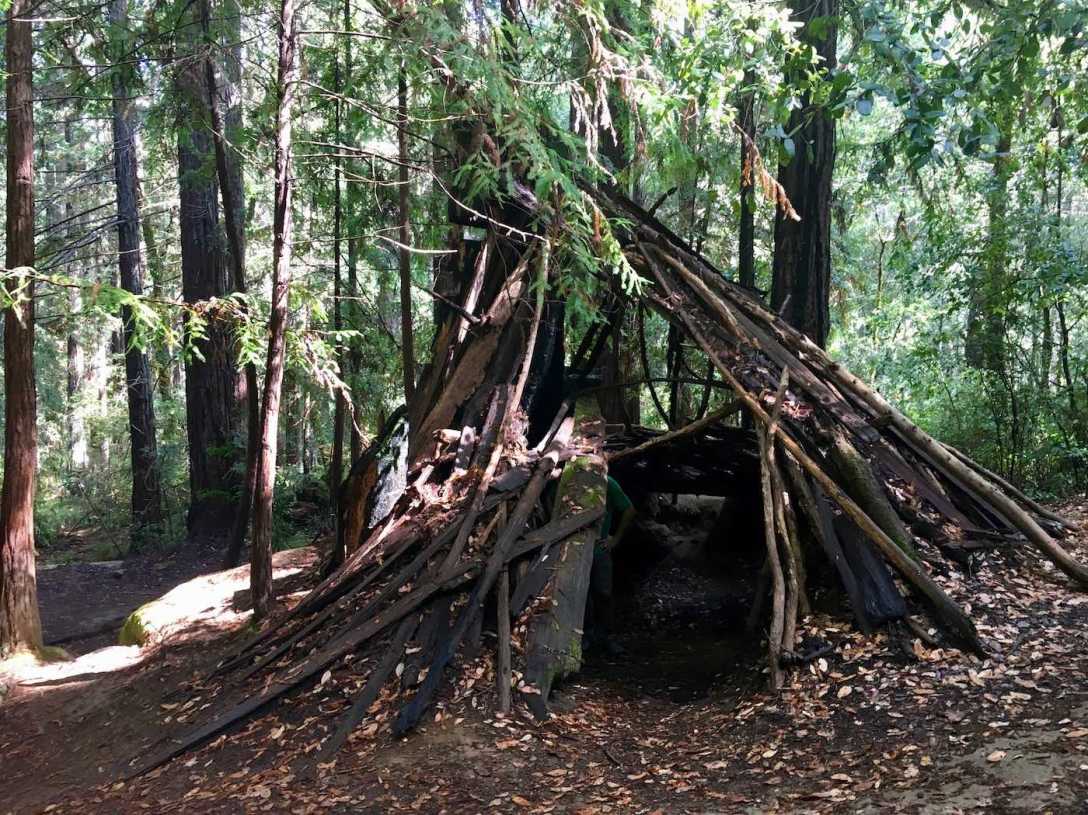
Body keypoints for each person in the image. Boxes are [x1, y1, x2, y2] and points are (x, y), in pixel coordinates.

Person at [589, 476, 635, 652]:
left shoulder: (606, 481)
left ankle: (605, 636)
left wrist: (615, 539)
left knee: (603, 593)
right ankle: (586, 636)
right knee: (582, 595)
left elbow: (629, 509)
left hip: (599, 550)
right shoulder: (566, 478)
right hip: (574, 549)